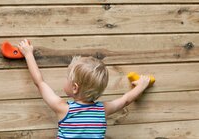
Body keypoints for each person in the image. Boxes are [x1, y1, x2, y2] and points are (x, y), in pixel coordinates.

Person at [18, 39, 150, 139]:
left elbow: (40, 82)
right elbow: (125, 100)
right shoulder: (102, 109)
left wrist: (28, 54)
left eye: (67, 78)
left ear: (75, 88)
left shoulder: (63, 108)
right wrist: (142, 85)